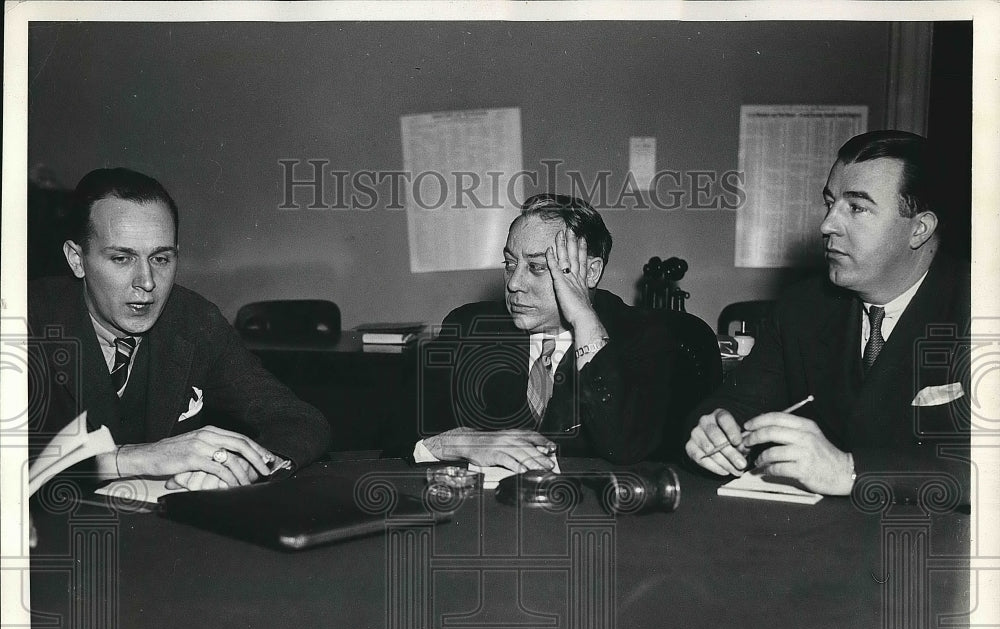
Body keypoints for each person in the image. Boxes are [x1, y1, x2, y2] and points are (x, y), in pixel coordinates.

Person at [685, 130, 970, 501]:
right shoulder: (803, 308)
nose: (827, 225)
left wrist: (851, 471)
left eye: (856, 207)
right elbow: (735, 403)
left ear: (919, 228)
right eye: (830, 203)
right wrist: (712, 427)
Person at [28, 167, 330, 490]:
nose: (146, 282)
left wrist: (244, 464)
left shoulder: (195, 321)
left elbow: (300, 420)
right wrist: (134, 458)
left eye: (160, 259)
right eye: (122, 259)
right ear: (77, 259)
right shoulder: (26, 318)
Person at [387, 193, 696, 470]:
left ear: (590, 272)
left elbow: (625, 445)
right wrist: (465, 442)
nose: (513, 283)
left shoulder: (644, 336)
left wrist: (584, 320)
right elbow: (396, 434)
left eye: (536, 267)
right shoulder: (469, 327)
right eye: (510, 264)